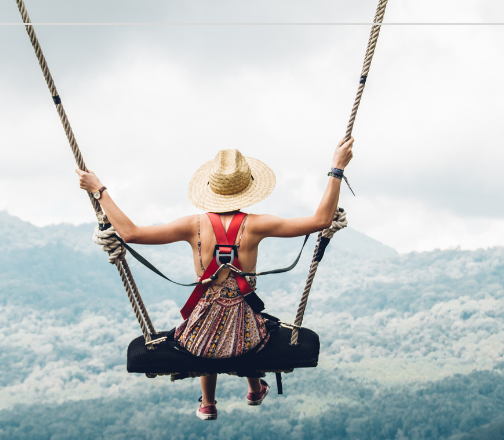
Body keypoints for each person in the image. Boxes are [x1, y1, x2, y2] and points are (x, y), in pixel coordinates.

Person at [75, 137, 354, 420]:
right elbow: (321, 220)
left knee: (207, 326)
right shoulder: (257, 225)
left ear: (211, 189)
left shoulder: (191, 225)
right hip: (247, 339)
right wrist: (337, 169)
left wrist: (100, 190)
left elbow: (131, 233)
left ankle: (208, 404)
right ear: (247, 188)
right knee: (257, 321)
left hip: (199, 339)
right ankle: (255, 390)